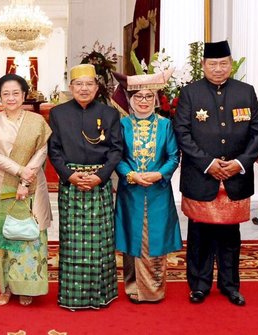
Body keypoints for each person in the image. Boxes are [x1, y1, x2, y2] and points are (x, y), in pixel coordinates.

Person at [173, 40, 258, 306]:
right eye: (212, 64)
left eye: (223, 63)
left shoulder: (246, 92)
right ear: (203, 65)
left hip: (236, 176)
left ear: (231, 64)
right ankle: (199, 285)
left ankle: (230, 285)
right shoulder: (190, 93)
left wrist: (239, 163)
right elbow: (182, 132)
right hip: (202, 175)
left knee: (230, 236)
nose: (218, 69)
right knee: (199, 235)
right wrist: (208, 163)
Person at [0, 74, 52, 307]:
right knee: (1, 239)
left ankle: (26, 286)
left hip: (32, 185)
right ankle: (5, 286)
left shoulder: (36, 121)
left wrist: (26, 179)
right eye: (5, 93)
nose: (11, 97)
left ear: (24, 95)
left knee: (29, 238)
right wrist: (19, 170)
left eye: (15, 93)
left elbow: (41, 152)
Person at [48, 64, 123, 310]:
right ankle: (72, 296)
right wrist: (69, 175)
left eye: (89, 84)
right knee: (72, 241)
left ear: (96, 87)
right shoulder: (58, 114)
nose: (83, 88)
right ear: (71, 87)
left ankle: (101, 294)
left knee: (101, 240)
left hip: (98, 183)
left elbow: (116, 150)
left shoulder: (109, 114)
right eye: (79, 84)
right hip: (71, 183)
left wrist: (100, 176)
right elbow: (54, 150)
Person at [113, 70, 182, 304]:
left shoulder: (165, 125)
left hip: (158, 191)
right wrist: (130, 174)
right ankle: (133, 286)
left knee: (156, 237)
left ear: (155, 100)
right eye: (139, 97)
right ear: (131, 100)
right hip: (130, 191)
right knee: (131, 235)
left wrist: (158, 174)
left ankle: (153, 289)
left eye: (148, 97)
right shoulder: (121, 125)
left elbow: (174, 156)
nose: (143, 101)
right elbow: (116, 156)